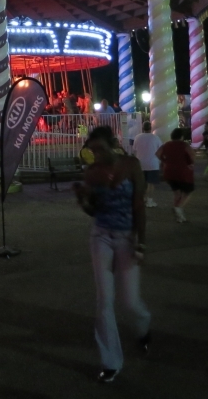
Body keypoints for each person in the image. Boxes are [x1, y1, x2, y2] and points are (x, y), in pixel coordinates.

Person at [73, 130, 151, 383]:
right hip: (101, 235)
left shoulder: (131, 165)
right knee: (104, 299)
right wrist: (82, 199)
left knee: (130, 301)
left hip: (127, 236)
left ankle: (143, 329)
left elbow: (138, 204)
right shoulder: (92, 172)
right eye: (93, 151)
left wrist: (142, 242)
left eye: (101, 149)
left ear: (114, 145)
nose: (97, 155)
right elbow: (94, 210)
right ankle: (111, 362)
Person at [157, 128, 195, 223]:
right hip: (183, 172)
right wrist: (189, 163)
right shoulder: (184, 145)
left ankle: (180, 217)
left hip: (169, 172)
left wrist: (165, 160)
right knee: (188, 192)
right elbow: (192, 156)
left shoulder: (166, 145)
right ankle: (178, 207)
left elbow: (158, 154)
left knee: (177, 193)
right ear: (181, 136)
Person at [131, 121, 163, 208]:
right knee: (151, 184)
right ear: (151, 128)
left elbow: (134, 151)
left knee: (142, 183)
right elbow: (160, 150)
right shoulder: (155, 138)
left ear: (142, 128)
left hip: (140, 163)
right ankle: (149, 200)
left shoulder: (137, 137)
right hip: (153, 163)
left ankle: (143, 199)